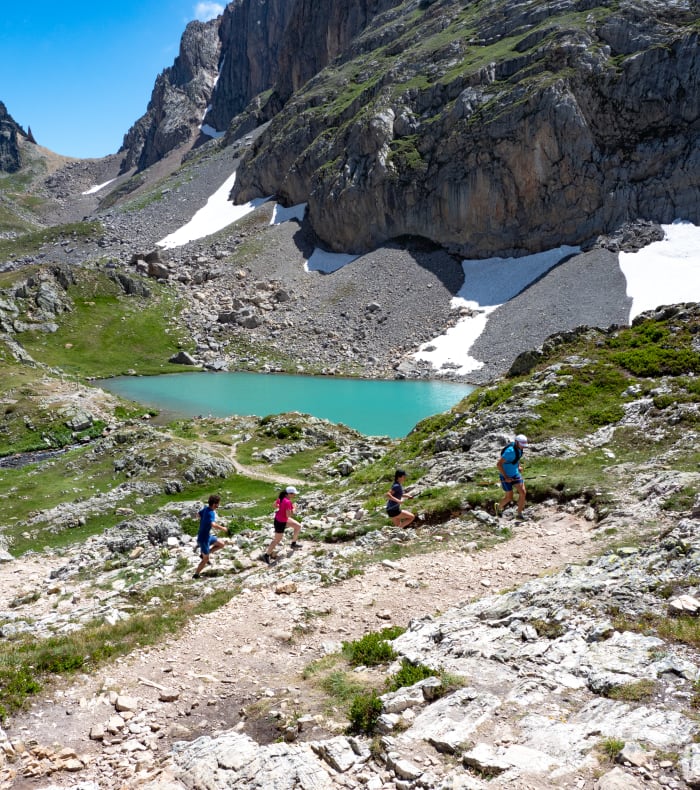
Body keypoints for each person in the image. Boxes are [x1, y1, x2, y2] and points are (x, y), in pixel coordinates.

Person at [262, 485, 302, 564]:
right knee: (277, 540)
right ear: (289, 494)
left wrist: (281, 507)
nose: (295, 495)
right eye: (294, 494)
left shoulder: (281, 498)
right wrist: (294, 509)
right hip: (280, 521)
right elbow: (289, 515)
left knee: (298, 526)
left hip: (281, 518)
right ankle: (266, 555)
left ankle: (293, 543)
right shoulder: (288, 502)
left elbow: (274, 505)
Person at [193, 494, 228, 578]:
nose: (218, 505)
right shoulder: (211, 512)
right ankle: (196, 575)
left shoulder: (206, 509)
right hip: (203, 539)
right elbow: (213, 524)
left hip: (207, 536)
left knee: (221, 544)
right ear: (214, 504)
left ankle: (203, 554)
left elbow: (198, 515)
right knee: (206, 559)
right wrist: (223, 528)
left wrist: (203, 522)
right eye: (218, 503)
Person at [496, 434, 528, 521]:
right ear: (517, 442)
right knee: (509, 497)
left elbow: (516, 458)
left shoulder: (520, 449)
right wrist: (506, 477)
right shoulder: (509, 451)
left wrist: (518, 466)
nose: (523, 447)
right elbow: (499, 464)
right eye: (522, 445)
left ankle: (519, 514)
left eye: (524, 445)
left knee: (523, 492)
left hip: (515, 474)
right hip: (505, 476)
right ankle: (498, 508)